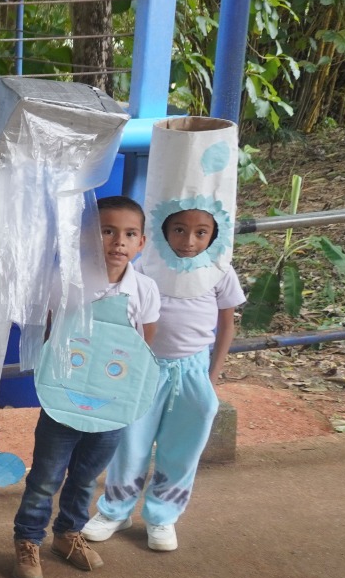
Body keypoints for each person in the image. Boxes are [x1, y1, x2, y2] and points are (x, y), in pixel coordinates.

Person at [10, 195, 160, 578]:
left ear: (142, 243)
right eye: (107, 231)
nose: (118, 242)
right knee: (45, 475)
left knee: (86, 475)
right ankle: (28, 539)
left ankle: (68, 533)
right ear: (88, 237)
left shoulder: (145, 290)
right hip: (65, 400)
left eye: (129, 234)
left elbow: (144, 350)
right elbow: (50, 337)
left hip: (112, 408)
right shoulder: (67, 282)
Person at [83, 207, 244, 552]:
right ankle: (115, 510)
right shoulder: (145, 268)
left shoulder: (219, 271)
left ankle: (162, 515)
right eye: (179, 230)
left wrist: (210, 377)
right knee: (129, 443)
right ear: (162, 231)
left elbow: (227, 325)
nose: (189, 241)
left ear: (214, 235)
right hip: (143, 369)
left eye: (201, 232)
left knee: (182, 448)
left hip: (193, 372)